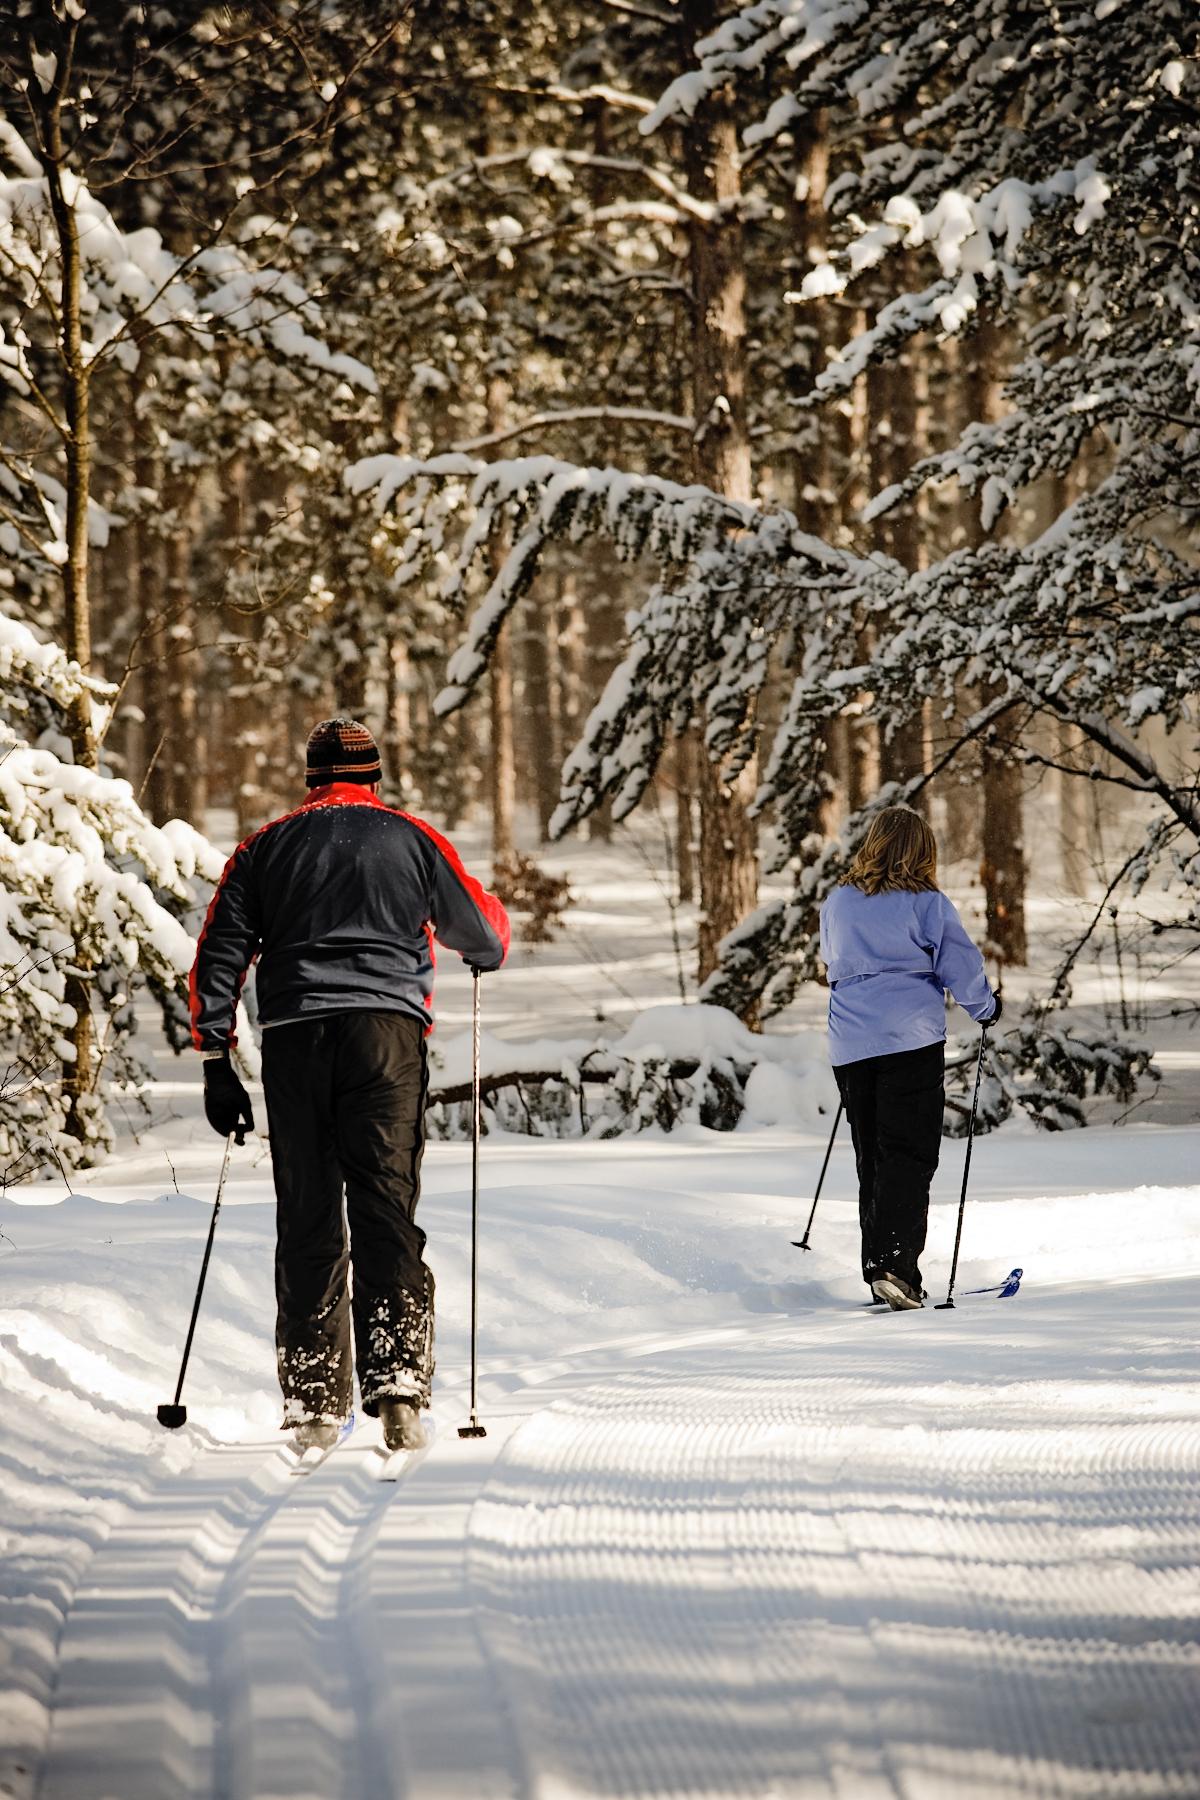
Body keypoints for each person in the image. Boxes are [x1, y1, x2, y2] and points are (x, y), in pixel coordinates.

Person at [189, 717, 510, 1451]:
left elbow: (218, 954)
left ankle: (312, 1400)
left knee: (307, 1213)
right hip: (385, 1039)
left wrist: (216, 1058)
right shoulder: (410, 837)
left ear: (311, 778)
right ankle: (398, 1387)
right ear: (373, 776)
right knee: (384, 1203)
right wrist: (480, 936)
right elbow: (484, 937)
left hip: (297, 1040)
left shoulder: (263, 848)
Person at [818, 805, 999, 1311]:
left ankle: (879, 1265)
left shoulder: (839, 902)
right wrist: (985, 1007)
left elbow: (832, 962)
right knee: (908, 1153)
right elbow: (960, 965)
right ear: (923, 851)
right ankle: (897, 1265)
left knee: (871, 1155)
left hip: (851, 1043)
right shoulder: (927, 904)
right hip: (909, 1040)